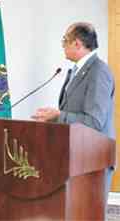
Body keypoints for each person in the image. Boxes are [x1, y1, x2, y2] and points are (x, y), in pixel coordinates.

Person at [32, 22, 115, 207]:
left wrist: (58, 116)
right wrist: (52, 118)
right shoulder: (75, 70)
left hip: (94, 159)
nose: (62, 45)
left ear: (77, 43)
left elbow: (94, 121)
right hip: (75, 156)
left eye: (65, 40)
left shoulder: (99, 71)